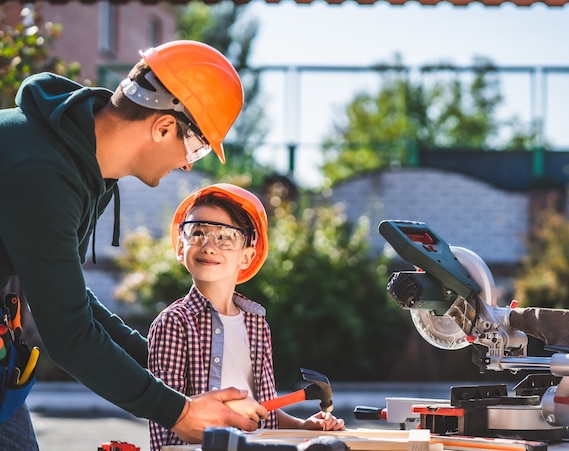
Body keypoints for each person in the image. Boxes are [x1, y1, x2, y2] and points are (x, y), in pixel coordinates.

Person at [0, 40, 267, 450]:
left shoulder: (79, 163)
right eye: (196, 145)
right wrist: (179, 412)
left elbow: (71, 301)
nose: (189, 164)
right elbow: (69, 333)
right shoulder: (43, 171)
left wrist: (173, 370)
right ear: (162, 127)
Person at [148, 183, 345, 450]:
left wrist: (301, 427)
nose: (208, 246)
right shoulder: (174, 323)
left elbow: (263, 408)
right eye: (197, 233)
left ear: (247, 256)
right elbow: (167, 419)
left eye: (226, 237)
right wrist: (225, 416)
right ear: (181, 248)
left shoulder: (256, 324)